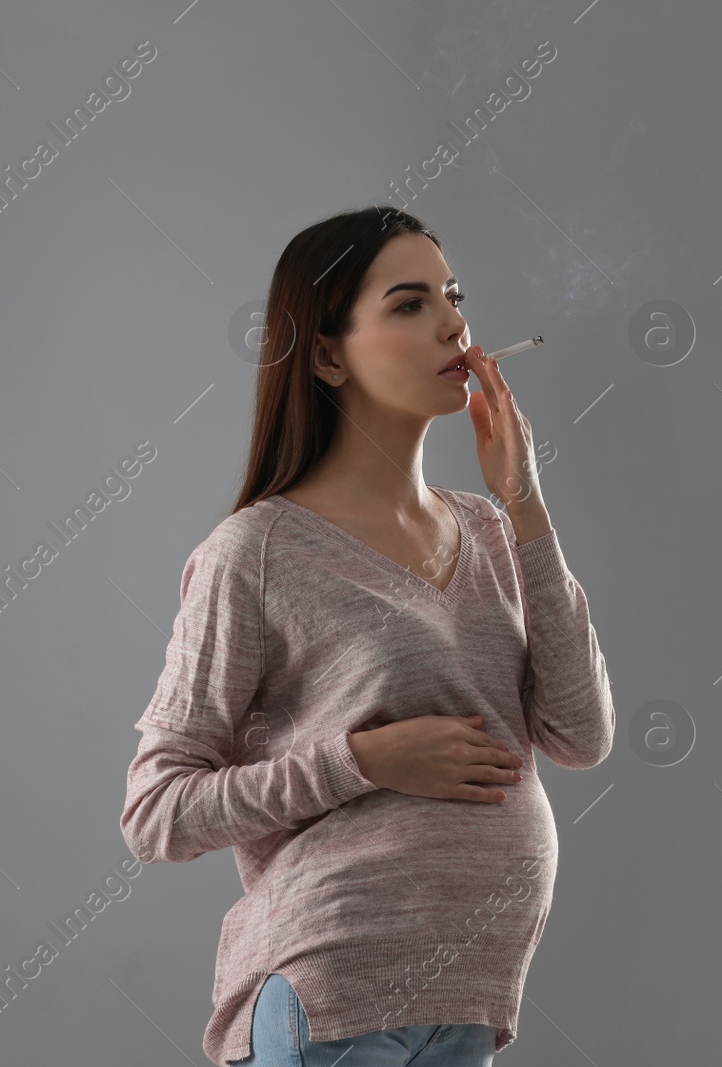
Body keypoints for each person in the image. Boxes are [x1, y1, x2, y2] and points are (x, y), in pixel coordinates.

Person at [119, 204, 615, 1067]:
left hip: (468, 1000)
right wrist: (364, 763)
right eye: (410, 303)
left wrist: (525, 505)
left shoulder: (492, 534)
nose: (455, 323)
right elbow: (157, 814)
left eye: (453, 296)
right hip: (334, 995)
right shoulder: (259, 552)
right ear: (324, 355)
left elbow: (583, 735)